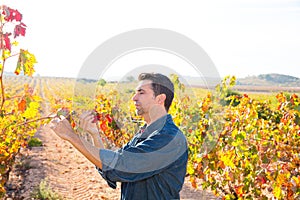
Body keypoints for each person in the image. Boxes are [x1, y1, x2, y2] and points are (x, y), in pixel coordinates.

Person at [50, 73, 188, 200]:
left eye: (141, 92)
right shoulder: (145, 133)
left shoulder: (169, 137)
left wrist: (71, 136)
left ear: (160, 99)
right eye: (135, 93)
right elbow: (111, 168)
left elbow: (120, 166)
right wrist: (95, 135)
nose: (134, 98)